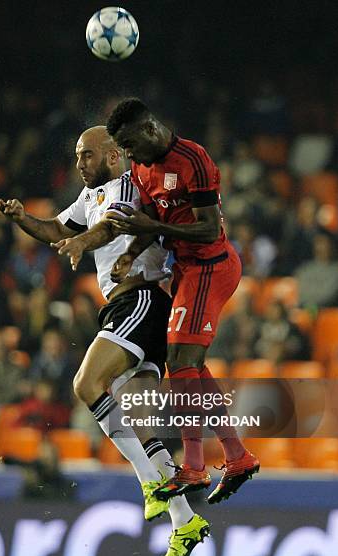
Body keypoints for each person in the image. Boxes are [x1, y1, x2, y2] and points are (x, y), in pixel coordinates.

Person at [0, 126, 209, 556]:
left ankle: (152, 483)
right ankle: (184, 520)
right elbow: (56, 227)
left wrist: (79, 242)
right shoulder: (88, 196)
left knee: (87, 383)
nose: (79, 164)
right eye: (76, 157)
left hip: (141, 299)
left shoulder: (130, 186)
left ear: (113, 155)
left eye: (86, 156)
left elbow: (109, 226)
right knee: (137, 414)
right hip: (128, 305)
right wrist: (22, 219)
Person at [106, 98, 259, 503]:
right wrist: (128, 253)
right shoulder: (141, 169)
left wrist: (151, 226)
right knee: (190, 367)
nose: (128, 154)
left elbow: (209, 230)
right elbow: (153, 223)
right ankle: (237, 456)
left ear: (151, 129)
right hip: (187, 272)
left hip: (211, 266)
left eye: (129, 143)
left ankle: (193, 466)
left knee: (180, 364)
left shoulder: (194, 159)